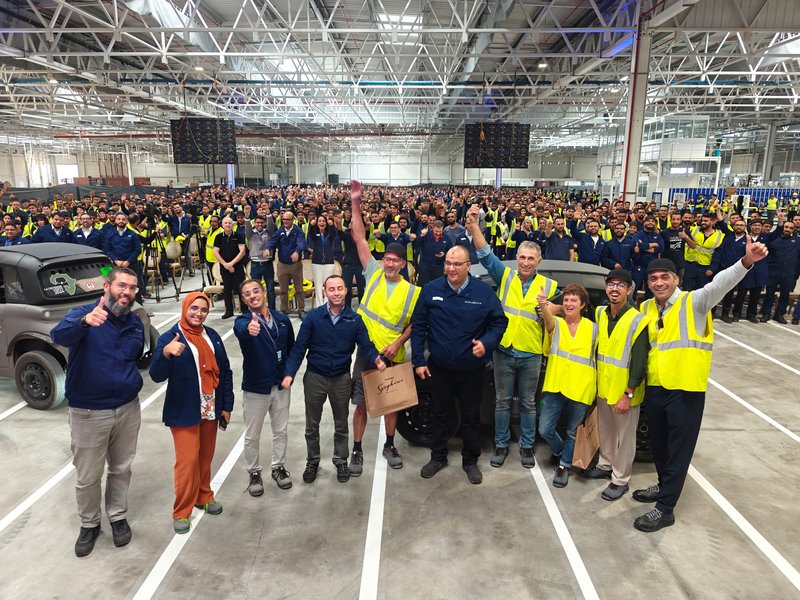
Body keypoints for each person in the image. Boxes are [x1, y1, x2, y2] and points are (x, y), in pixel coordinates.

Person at [634, 238, 769, 533]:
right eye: (653, 278)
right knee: (659, 446)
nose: (659, 283)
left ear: (676, 280)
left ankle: (665, 509)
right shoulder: (645, 307)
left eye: (664, 277)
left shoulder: (694, 302)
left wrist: (746, 261)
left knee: (678, 449)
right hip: (655, 386)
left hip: (685, 389)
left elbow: (721, 283)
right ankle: (663, 485)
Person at [50, 267, 144, 557]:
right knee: (88, 475)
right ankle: (89, 524)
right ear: (107, 287)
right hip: (89, 412)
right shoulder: (83, 314)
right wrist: (84, 322)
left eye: (132, 288)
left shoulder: (135, 322)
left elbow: (135, 358)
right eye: (121, 286)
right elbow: (58, 336)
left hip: (127, 408)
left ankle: (117, 516)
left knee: (121, 468)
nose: (127, 292)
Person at [466, 204, 556, 469]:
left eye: (531, 258)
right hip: (504, 350)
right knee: (502, 402)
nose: (526, 262)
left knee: (528, 403)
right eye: (522, 257)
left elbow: (561, 314)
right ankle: (501, 445)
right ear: (517, 258)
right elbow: (485, 253)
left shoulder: (549, 286)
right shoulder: (504, 276)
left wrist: (551, 308)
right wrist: (474, 226)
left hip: (531, 353)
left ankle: (527, 446)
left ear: (539, 261)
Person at [411, 245, 508, 485]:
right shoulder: (431, 290)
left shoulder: (483, 293)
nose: (451, 268)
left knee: (471, 417)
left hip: (471, 370)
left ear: (468, 266)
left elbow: (499, 323)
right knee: (439, 414)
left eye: (457, 264)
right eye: (448, 263)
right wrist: (418, 360)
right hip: (440, 367)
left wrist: (486, 343)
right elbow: (419, 325)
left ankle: (470, 461)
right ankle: (438, 456)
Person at [281, 275, 386, 484]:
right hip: (315, 378)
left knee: (341, 424)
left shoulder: (354, 320)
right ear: (324, 292)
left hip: (341, 379)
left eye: (340, 288)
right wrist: (289, 373)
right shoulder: (313, 317)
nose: (336, 292)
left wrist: (376, 359)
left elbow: (366, 344)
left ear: (346, 290)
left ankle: (340, 460)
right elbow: (299, 348)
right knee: (312, 424)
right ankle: (312, 461)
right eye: (331, 289)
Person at [347, 181, 421, 474]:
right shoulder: (373, 274)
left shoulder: (413, 292)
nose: (390, 264)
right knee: (361, 404)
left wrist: (399, 343)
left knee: (392, 404)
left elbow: (415, 324)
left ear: (403, 264)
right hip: (367, 351)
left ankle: (389, 445)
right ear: (382, 260)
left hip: (393, 354)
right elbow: (359, 237)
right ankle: (357, 449)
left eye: (395, 261)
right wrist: (356, 202)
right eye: (387, 259)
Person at [149, 292, 234, 534]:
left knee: (205, 456)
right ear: (185, 308)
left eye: (203, 310)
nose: (198, 313)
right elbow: (156, 375)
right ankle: (182, 511)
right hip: (184, 408)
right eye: (194, 308)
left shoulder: (212, 335)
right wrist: (165, 353)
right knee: (187, 462)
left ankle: (203, 496)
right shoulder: (169, 337)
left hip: (210, 405)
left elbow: (225, 371)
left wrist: (226, 405)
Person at [580, 269, 648, 501]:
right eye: (611, 284)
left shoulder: (638, 320)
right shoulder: (601, 312)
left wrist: (628, 394)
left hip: (624, 392)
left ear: (629, 289)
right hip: (604, 387)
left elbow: (639, 361)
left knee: (625, 439)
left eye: (620, 285)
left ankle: (620, 479)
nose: (615, 288)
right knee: (606, 431)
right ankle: (605, 465)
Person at [234, 279, 295, 495]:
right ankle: (254, 472)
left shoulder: (282, 320)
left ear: (264, 293)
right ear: (244, 300)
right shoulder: (243, 321)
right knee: (252, 434)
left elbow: (291, 350)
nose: (253, 296)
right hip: (256, 388)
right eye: (247, 294)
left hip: (280, 386)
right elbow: (241, 330)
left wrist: (289, 373)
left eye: (255, 291)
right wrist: (248, 329)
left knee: (280, 431)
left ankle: (278, 467)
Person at [537, 284, 598, 489]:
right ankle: (562, 452)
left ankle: (564, 466)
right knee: (545, 429)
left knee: (573, 431)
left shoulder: (594, 328)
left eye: (574, 300)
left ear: (583, 304)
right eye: (566, 300)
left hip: (582, 387)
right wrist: (543, 305)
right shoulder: (557, 323)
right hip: (556, 384)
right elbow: (548, 321)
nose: (569, 303)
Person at [268, 211, 308, 319]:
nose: (285, 221)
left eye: (288, 219)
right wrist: (268, 248)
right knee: (283, 290)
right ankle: (284, 310)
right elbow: (272, 241)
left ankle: (301, 309)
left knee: (299, 289)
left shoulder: (297, 231)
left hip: (296, 265)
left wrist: (297, 252)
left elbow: (302, 243)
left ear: (293, 220)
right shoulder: (280, 230)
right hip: (282, 264)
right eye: (284, 219)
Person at [759, 219, 799, 324]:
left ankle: (779, 315)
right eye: (786, 227)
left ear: (793, 230)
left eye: (791, 228)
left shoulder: (797, 242)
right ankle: (766, 313)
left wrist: (795, 273)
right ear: (783, 227)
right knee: (769, 294)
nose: (788, 229)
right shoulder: (774, 240)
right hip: (773, 272)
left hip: (788, 273)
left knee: (785, 295)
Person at [212, 216, 247, 319]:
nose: (228, 225)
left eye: (229, 223)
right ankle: (229, 311)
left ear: (233, 225)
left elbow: (242, 251)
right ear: (222, 225)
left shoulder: (239, 235)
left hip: (238, 267)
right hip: (224, 267)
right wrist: (225, 265)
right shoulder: (218, 237)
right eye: (225, 223)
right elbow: (216, 252)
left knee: (241, 289)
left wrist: (231, 264)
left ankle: (245, 310)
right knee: (227, 289)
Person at [307, 214, 343, 305]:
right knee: (318, 286)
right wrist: (311, 225)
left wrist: (332, 226)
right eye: (319, 221)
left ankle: (327, 305)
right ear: (317, 223)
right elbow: (310, 235)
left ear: (326, 223)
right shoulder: (315, 233)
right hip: (316, 263)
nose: (321, 223)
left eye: (323, 221)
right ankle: (319, 306)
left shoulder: (329, 234)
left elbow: (335, 233)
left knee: (328, 285)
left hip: (329, 263)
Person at [245, 213, 276, 310]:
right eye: (258, 222)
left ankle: (272, 310)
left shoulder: (269, 233)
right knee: (255, 290)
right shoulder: (250, 234)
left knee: (270, 290)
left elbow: (271, 224)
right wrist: (247, 216)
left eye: (262, 222)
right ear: (254, 223)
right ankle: (257, 309)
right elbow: (247, 226)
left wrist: (268, 213)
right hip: (255, 264)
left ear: (265, 223)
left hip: (267, 264)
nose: (260, 224)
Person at [414, 219, 451, 286]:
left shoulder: (446, 237)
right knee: (423, 286)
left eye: (440, 231)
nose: (438, 233)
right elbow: (416, 244)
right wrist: (421, 236)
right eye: (436, 231)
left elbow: (450, 251)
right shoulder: (425, 234)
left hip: (439, 267)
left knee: (438, 286)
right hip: (425, 266)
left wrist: (444, 254)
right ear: (433, 228)